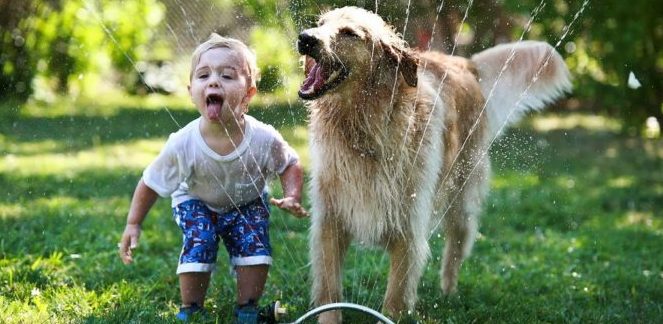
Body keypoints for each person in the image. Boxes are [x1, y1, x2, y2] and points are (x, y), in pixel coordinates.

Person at [118, 33, 308, 322]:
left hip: (248, 201)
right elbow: (151, 182)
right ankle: (191, 308)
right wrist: (133, 223)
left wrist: (293, 195)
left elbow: (289, 162)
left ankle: (247, 308)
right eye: (203, 75)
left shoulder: (263, 137)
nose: (214, 81)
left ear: (249, 93)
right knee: (201, 238)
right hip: (196, 201)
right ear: (191, 91)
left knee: (255, 246)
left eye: (228, 76)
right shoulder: (182, 143)